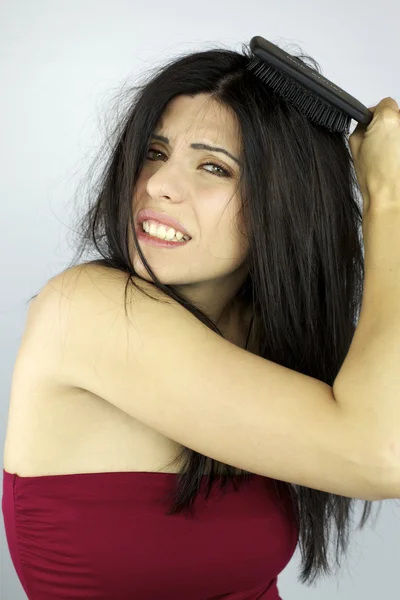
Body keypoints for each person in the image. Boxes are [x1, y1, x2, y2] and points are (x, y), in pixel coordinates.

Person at [2, 43, 400, 599]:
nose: (160, 185)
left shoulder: (265, 335)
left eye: (213, 166)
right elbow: (385, 458)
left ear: (284, 201)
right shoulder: (87, 311)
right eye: (155, 152)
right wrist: (388, 199)